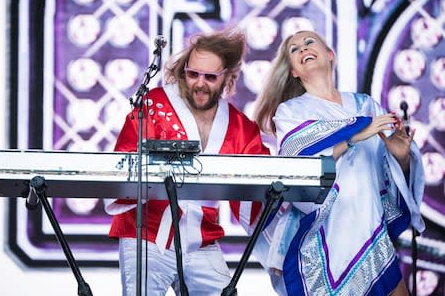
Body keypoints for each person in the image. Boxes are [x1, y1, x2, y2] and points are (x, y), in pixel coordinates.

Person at [253, 30, 425, 295]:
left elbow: (390, 178)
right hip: (326, 236)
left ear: (330, 55)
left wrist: (401, 157)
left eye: (309, 42)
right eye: (294, 49)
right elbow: (297, 168)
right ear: (294, 72)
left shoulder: (366, 106)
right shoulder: (291, 112)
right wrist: (353, 137)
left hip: (372, 231)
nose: (303, 49)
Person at [104, 27, 270, 296]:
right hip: (147, 234)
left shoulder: (241, 127)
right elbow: (125, 163)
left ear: (227, 77)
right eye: (193, 74)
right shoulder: (154, 106)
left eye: (210, 77)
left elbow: (262, 186)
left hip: (202, 240)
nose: (199, 84)